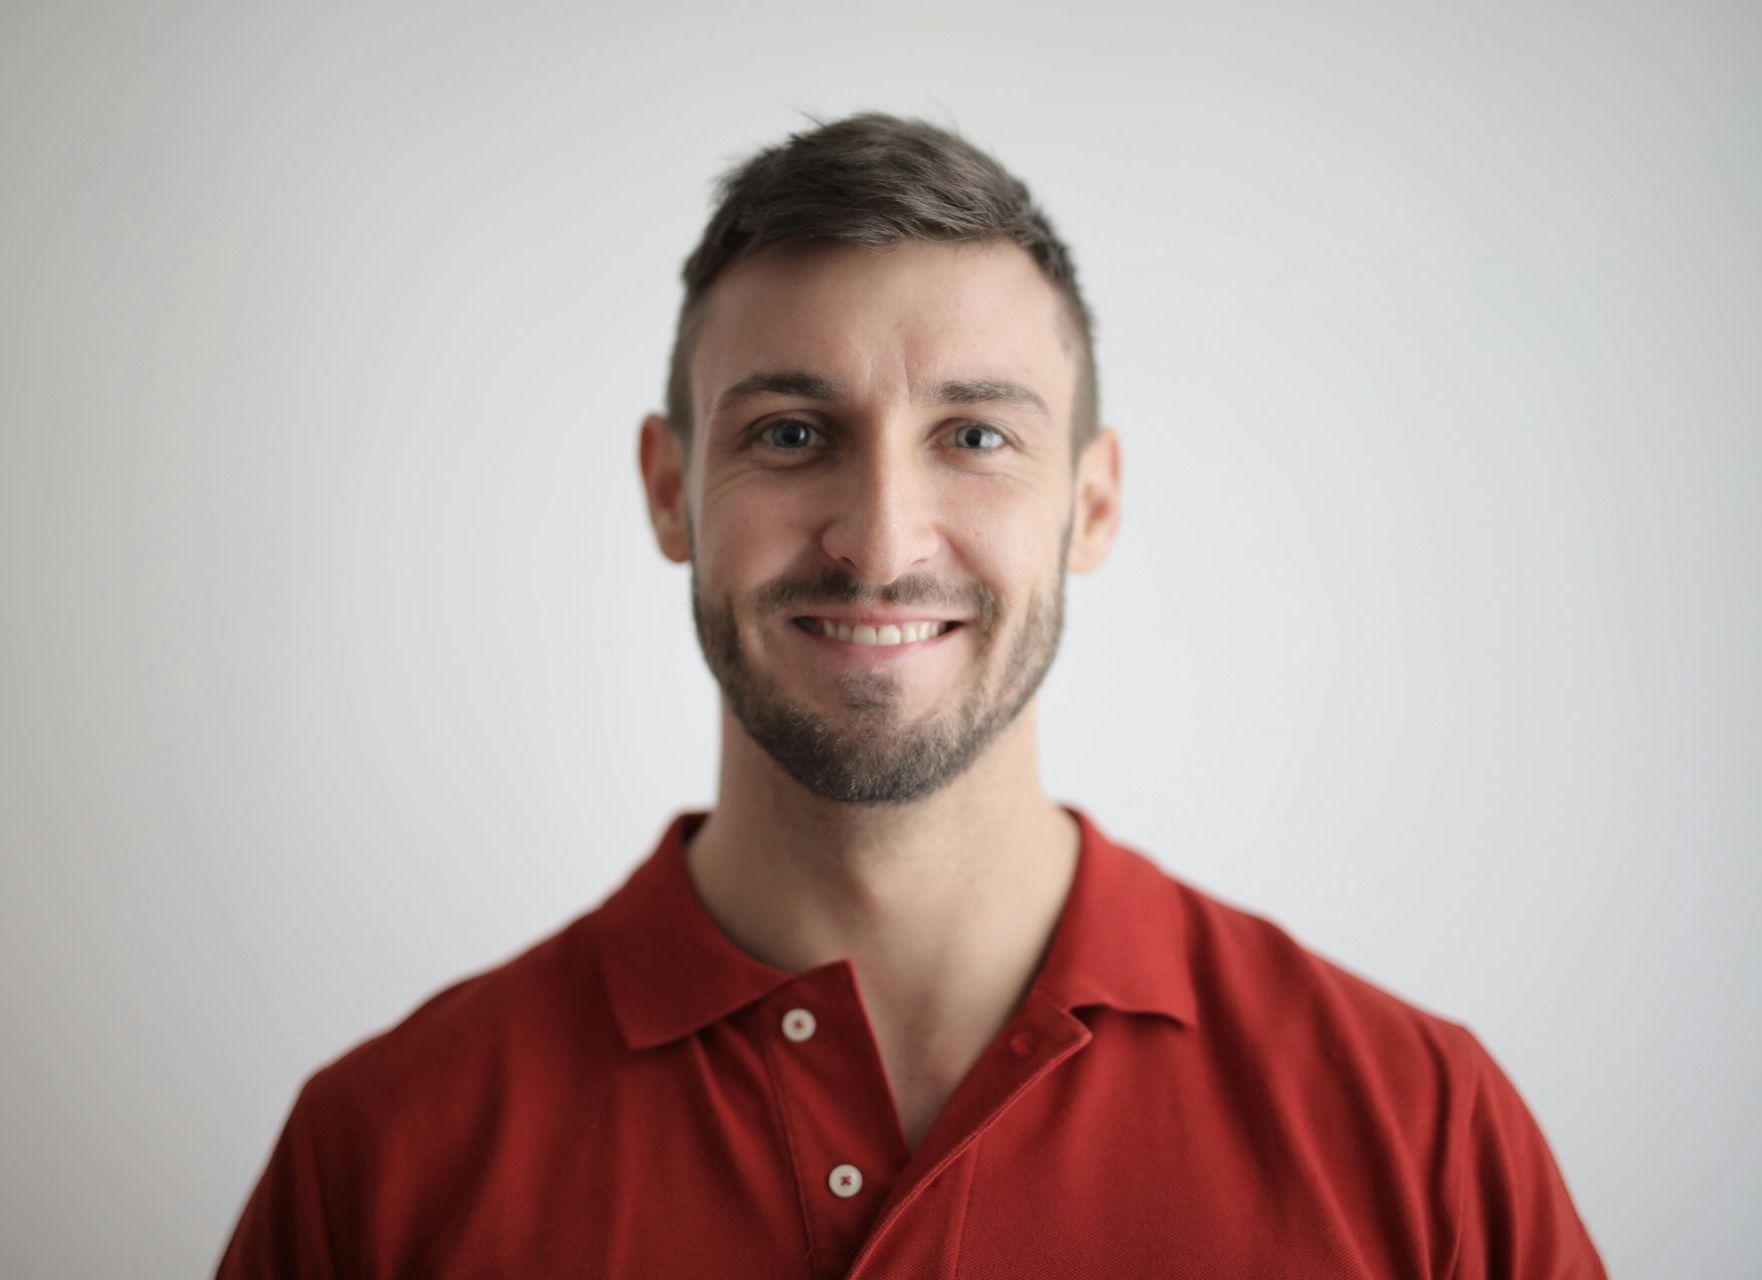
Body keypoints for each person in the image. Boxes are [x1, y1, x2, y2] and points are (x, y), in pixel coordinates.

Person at [216, 112, 1607, 1278]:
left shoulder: (1421, 1135)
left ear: (1091, 505)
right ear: (669, 491)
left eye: (975, 436)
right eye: (791, 433)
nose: (880, 544)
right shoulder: (382, 1159)